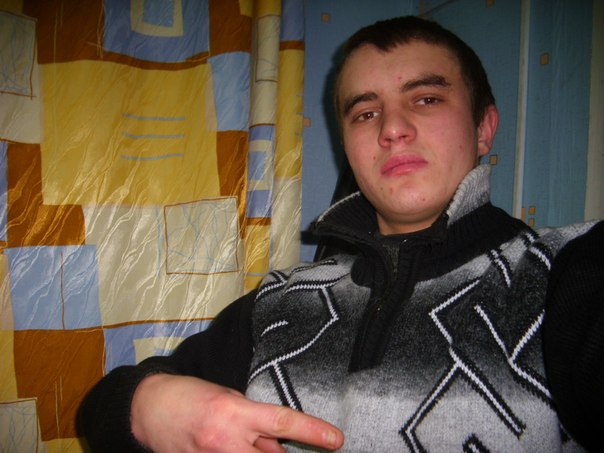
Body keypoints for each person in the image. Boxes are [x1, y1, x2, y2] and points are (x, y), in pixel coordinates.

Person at [80, 16, 604, 452]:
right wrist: (150, 405)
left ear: (484, 127)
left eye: (426, 99)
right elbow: (100, 413)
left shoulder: (563, 273)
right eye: (366, 112)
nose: (391, 129)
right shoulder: (279, 300)